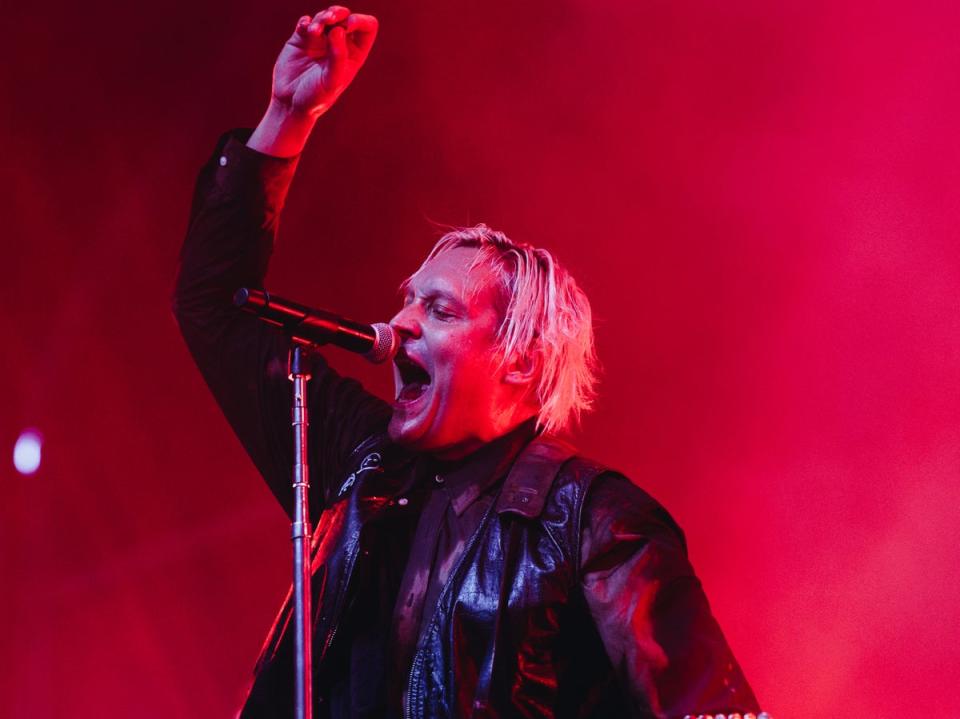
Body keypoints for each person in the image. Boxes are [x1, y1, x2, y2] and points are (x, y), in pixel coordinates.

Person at [174, 6, 768, 718]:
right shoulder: (358, 468)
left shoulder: (597, 522)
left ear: (520, 361)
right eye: (407, 300)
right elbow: (214, 305)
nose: (399, 324)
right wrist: (286, 117)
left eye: (441, 310)